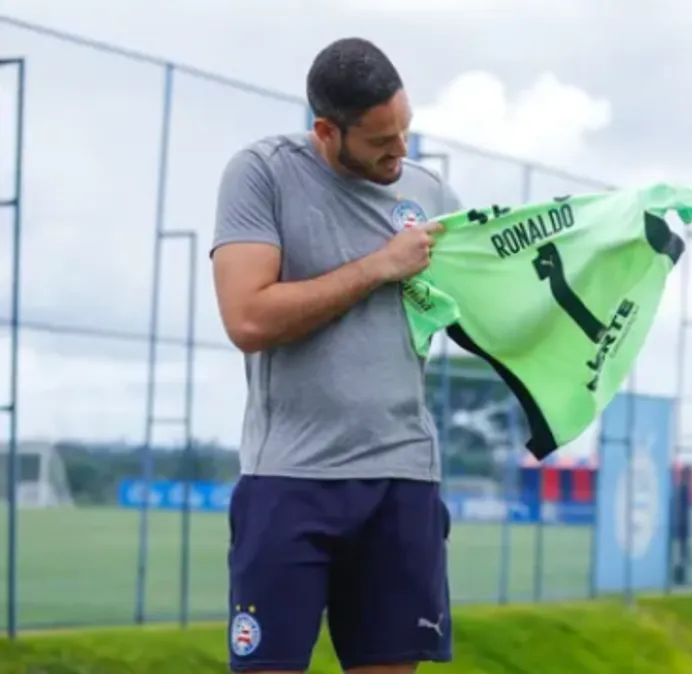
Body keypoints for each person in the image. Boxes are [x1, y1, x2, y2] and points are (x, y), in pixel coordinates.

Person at [210, 37, 459, 674]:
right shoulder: (261, 173)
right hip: (291, 480)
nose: (400, 152)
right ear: (327, 130)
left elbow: (493, 306)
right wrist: (380, 267)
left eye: (405, 131)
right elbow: (247, 317)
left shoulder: (430, 196)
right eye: (381, 141)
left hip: (404, 480)